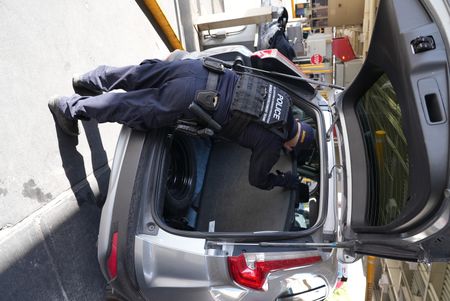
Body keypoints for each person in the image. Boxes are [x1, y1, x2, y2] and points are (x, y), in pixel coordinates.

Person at [48, 56, 315, 193]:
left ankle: (87, 79)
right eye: (291, 150)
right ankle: (68, 107)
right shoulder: (272, 143)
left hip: (199, 69)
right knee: (131, 108)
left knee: (137, 75)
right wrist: (286, 181)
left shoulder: (284, 99)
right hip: (194, 100)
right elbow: (257, 180)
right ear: (293, 144)